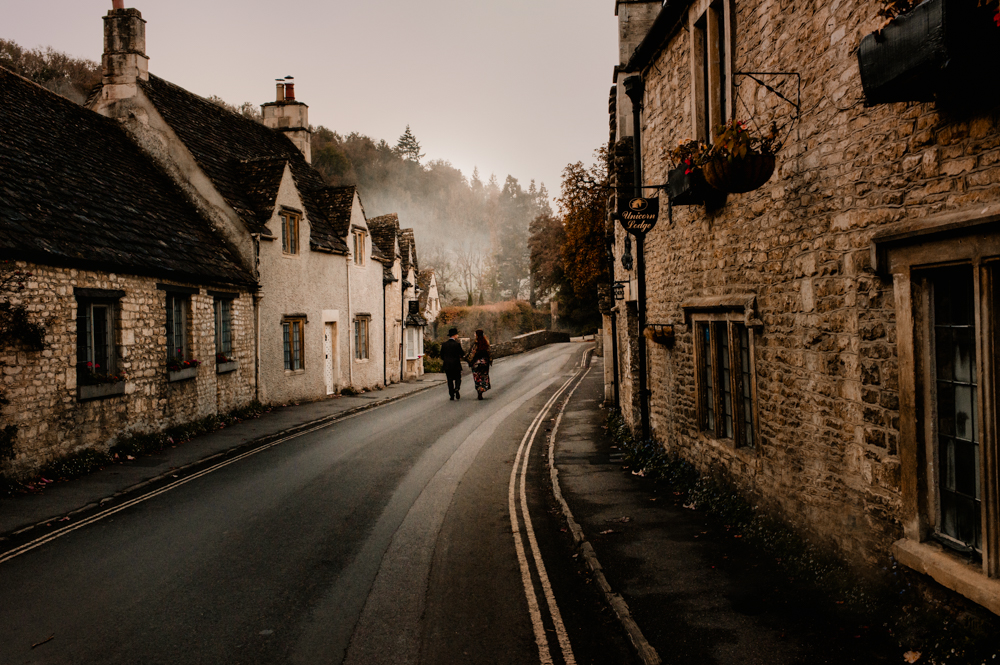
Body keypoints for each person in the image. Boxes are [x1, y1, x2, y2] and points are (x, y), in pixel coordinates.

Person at [440, 327, 464, 400]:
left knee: (449, 380)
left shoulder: (444, 345)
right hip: (456, 365)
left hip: (447, 365)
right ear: (454, 335)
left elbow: (441, 355)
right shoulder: (457, 344)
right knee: (458, 378)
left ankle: (451, 395)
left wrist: (446, 359)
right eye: (457, 334)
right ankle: (457, 388)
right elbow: (462, 354)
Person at [469, 329, 492, 400]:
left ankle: (479, 391)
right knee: (484, 376)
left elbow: (472, 353)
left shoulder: (476, 344)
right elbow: (489, 352)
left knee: (477, 378)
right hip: (484, 363)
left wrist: (470, 361)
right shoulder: (485, 343)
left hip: (476, 363)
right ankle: (483, 388)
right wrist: (490, 360)